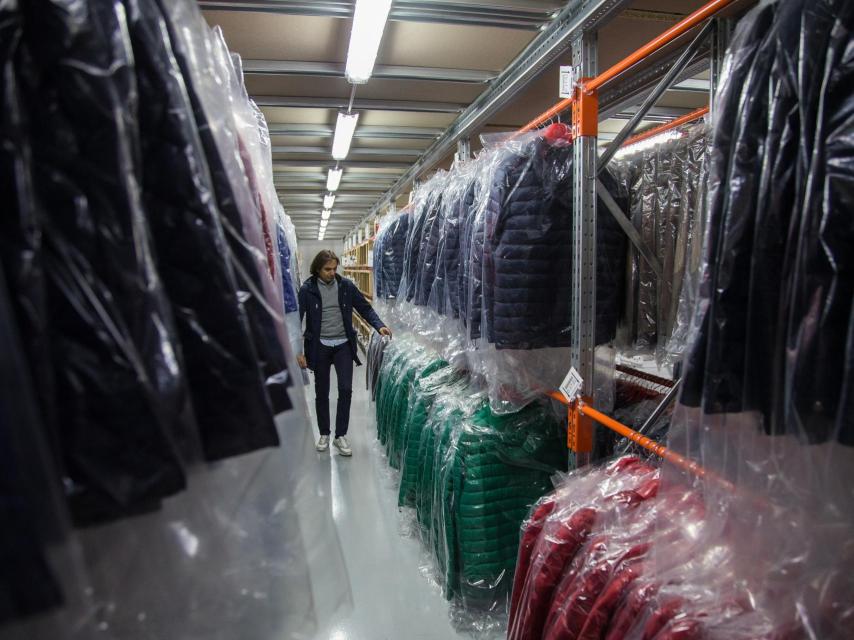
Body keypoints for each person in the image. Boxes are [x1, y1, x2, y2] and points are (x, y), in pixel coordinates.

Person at [298, 250, 391, 456]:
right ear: (317, 269)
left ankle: (340, 436)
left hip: (343, 346)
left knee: (346, 389)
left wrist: (379, 325)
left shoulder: (346, 286)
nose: (332, 273)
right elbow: (297, 318)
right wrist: (298, 350)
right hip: (319, 346)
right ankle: (324, 433)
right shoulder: (307, 290)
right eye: (327, 269)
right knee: (321, 392)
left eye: (334, 268)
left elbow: (365, 308)